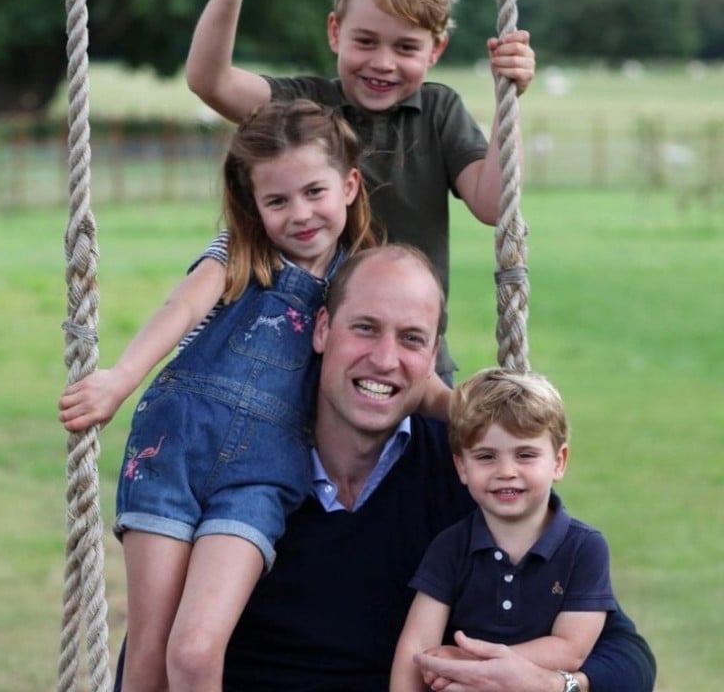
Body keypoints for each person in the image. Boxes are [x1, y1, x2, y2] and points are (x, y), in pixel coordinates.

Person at [111, 244, 656, 692]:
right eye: (365, 329)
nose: (385, 359)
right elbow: (156, 657)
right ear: (322, 329)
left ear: (432, 355)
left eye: (411, 339)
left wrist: (555, 684)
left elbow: (624, 655)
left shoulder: (465, 469)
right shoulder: (237, 461)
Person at [59, 99, 380, 692]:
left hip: (262, 476)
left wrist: (456, 406)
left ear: (350, 185)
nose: (300, 214)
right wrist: (120, 379)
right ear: (254, 205)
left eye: (314, 192)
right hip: (173, 448)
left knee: (196, 650)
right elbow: (181, 308)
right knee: (149, 656)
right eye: (277, 201)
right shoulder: (239, 252)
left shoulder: (357, 282)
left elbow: (380, 361)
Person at [184, 0, 537, 380]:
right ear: (335, 32)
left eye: (405, 47)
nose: (382, 63)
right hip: (306, 366)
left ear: (435, 50)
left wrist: (509, 99)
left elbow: (493, 204)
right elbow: (210, 82)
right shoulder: (305, 110)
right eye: (366, 41)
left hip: (411, 362)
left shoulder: (439, 112)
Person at [390, 368, 616, 692]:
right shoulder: (450, 546)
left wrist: (471, 663)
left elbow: (570, 648)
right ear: (461, 466)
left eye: (525, 455)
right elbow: (416, 647)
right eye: (486, 456)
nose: (506, 471)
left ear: (559, 461)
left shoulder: (584, 548)